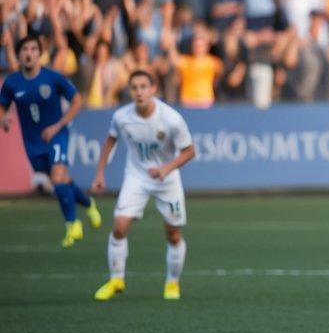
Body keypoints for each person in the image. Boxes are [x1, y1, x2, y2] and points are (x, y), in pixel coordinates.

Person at [90, 69, 195, 300]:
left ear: (154, 89)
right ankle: (116, 280)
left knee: (174, 234)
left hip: (167, 181)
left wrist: (165, 169)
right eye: (134, 87)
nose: (139, 92)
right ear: (129, 91)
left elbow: (189, 151)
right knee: (119, 227)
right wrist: (100, 173)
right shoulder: (121, 117)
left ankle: (172, 284)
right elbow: (110, 140)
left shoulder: (171, 119)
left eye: (143, 87)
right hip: (136, 178)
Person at [0, 34, 101, 248]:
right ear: (19, 55)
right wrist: (4, 119)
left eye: (33, 49)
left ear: (40, 53)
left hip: (57, 135)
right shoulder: (12, 83)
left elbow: (76, 99)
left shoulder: (53, 78)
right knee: (63, 181)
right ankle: (89, 203)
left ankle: (72, 224)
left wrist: (58, 125)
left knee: (56, 178)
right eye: (24, 49)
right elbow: (3, 107)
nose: (29, 53)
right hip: (33, 142)